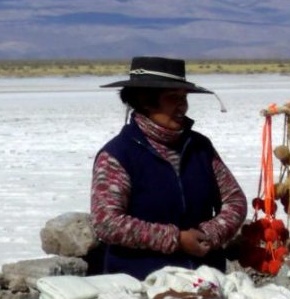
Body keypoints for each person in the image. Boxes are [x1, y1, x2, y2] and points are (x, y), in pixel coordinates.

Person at [90, 56, 247, 280]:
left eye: (184, 98)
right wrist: (177, 240)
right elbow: (107, 222)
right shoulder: (118, 155)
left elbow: (235, 200)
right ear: (145, 101)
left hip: (204, 281)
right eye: (173, 98)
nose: (183, 106)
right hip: (138, 284)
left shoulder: (200, 147)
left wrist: (208, 235)